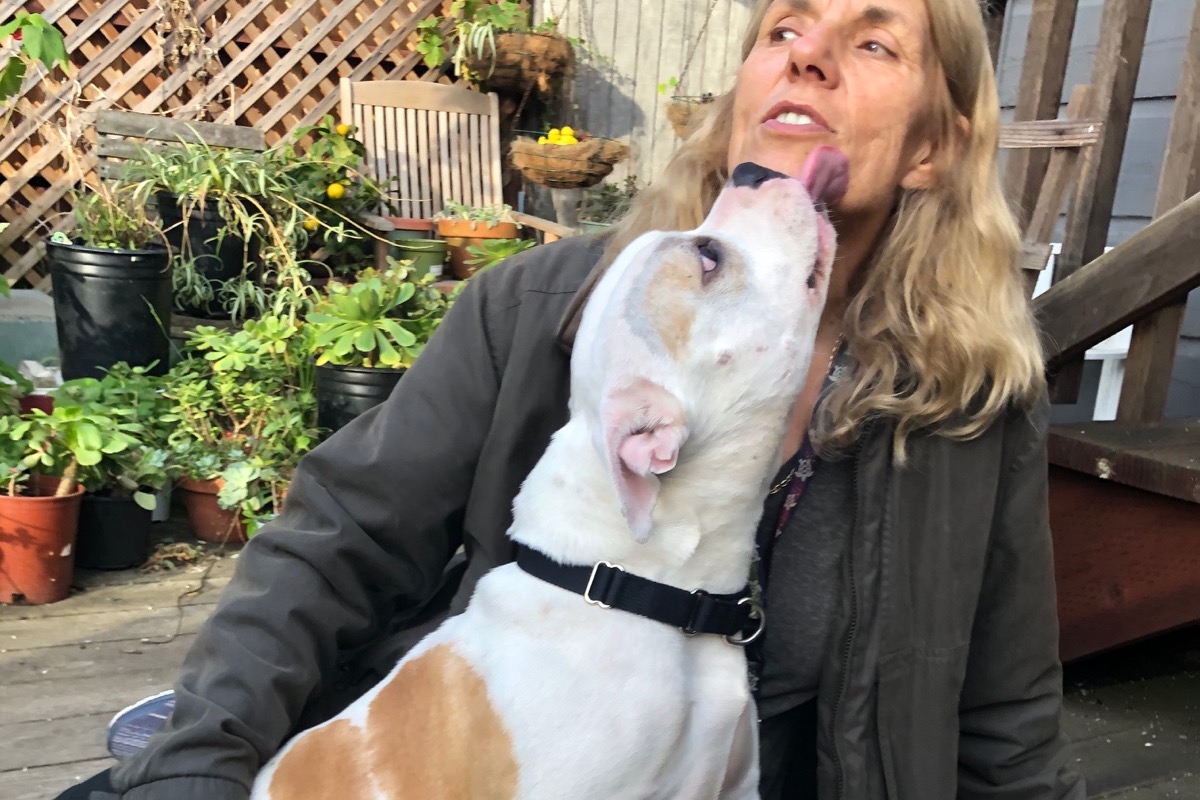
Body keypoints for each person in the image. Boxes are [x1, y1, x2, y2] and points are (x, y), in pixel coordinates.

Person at [61, 0, 1086, 798]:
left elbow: (1007, 718)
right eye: (783, 29)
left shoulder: (969, 400)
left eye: (874, 43)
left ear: (933, 148)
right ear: (740, 91)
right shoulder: (546, 309)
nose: (808, 55)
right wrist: (197, 764)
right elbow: (335, 543)